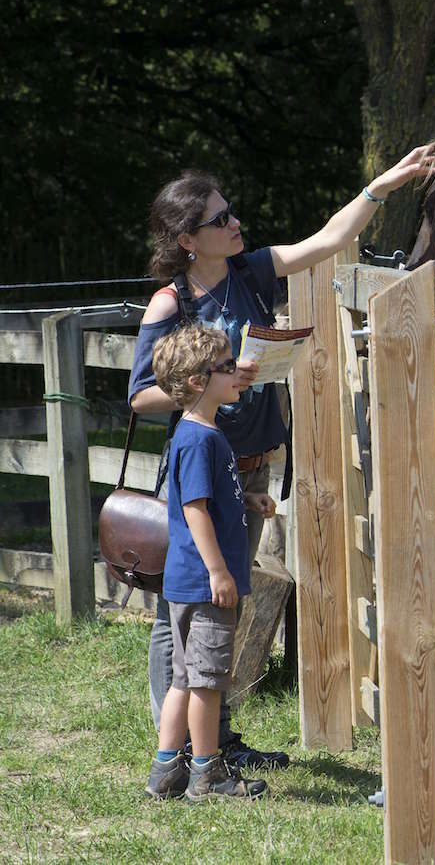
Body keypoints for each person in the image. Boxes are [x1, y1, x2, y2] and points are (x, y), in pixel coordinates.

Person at [129, 145, 435, 770]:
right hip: (199, 469)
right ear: (190, 239)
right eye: (221, 219)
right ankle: (180, 751)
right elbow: (139, 396)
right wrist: (213, 379)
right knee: (181, 613)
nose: (235, 223)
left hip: (251, 466)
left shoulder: (253, 272)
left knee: (226, 604)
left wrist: (380, 187)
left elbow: (327, 241)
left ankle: (215, 737)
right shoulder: (171, 304)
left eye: (231, 211)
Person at [144, 324, 275, 800]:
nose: (236, 372)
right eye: (226, 366)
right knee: (206, 682)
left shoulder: (197, 433)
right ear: (200, 381)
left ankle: (165, 772)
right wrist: (219, 572)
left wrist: (248, 499)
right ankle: (206, 773)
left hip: (185, 583)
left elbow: (209, 501)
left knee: (183, 677)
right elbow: (195, 510)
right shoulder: (202, 439)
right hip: (205, 585)